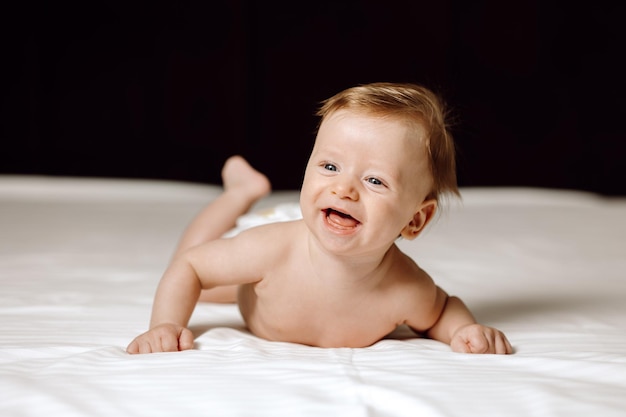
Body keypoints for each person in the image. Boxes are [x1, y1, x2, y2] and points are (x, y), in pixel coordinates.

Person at [127, 82, 513, 355]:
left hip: (318, 227)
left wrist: (464, 329)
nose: (344, 189)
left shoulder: (406, 287)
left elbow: (442, 310)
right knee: (193, 264)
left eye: (375, 180)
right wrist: (165, 325)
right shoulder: (270, 250)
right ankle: (239, 193)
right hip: (273, 238)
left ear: (415, 220)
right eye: (329, 165)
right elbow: (190, 266)